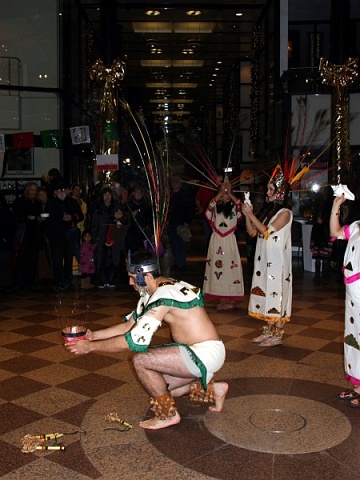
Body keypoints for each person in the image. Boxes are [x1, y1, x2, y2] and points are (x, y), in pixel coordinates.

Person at [65, 250, 228, 430]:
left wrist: (90, 347)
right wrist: (94, 335)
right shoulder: (156, 289)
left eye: (133, 278)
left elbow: (132, 342)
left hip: (204, 353)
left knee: (141, 360)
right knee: (160, 389)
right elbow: (129, 326)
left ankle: (167, 416)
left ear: (147, 276)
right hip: (198, 352)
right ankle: (214, 390)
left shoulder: (162, 296)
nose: (130, 283)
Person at [242, 174, 293, 347]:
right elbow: (252, 232)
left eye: (271, 189)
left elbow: (267, 231)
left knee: (277, 294)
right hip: (264, 261)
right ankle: (268, 330)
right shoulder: (269, 212)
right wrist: (247, 215)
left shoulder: (285, 213)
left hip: (278, 263)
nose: (267, 192)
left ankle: (278, 334)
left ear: (280, 193)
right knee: (265, 292)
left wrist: (251, 215)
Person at [330, 193, 360, 407]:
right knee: (354, 337)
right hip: (353, 292)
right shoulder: (357, 226)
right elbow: (335, 232)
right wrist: (336, 206)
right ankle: (358, 386)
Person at [203, 180, 244, 310]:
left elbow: (240, 205)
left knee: (230, 270)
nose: (225, 194)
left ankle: (231, 299)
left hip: (229, 242)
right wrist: (221, 192)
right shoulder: (215, 207)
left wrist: (229, 192)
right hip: (216, 241)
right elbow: (208, 208)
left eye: (228, 191)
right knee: (218, 269)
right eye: (223, 191)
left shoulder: (235, 208)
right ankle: (221, 298)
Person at [47, 177, 84, 292]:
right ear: (54, 192)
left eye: (63, 189)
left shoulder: (72, 202)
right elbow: (47, 219)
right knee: (57, 260)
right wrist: (60, 218)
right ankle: (59, 282)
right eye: (58, 190)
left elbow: (80, 215)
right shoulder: (51, 204)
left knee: (68, 259)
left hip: (69, 237)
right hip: (56, 237)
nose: (61, 192)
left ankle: (67, 281)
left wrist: (72, 217)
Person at [91, 186, 130, 288]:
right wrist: (95, 239)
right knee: (102, 258)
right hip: (102, 237)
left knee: (113, 258)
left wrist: (120, 220)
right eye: (105, 195)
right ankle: (102, 280)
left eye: (109, 195)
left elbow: (125, 219)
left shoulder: (116, 206)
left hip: (114, 237)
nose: (107, 197)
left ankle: (112, 279)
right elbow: (94, 225)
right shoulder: (98, 209)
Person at [12, 181, 42, 294]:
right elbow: (16, 217)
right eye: (32, 190)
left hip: (35, 234)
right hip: (25, 234)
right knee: (23, 259)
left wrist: (39, 219)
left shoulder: (37, 203)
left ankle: (30, 283)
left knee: (33, 260)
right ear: (28, 190)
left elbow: (39, 217)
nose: (34, 192)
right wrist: (27, 217)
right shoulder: (21, 202)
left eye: (35, 190)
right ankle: (21, 284)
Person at [167, 175, 195, 273]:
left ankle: (181, 264)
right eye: (173, 181)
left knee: (181, 244)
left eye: (176, 181)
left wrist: (187, 222)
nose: (174, 183)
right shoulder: (169, 195)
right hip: (171, 223)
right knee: (173, 244)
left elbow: (190, 209)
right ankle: (176, 263)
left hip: (182, 223)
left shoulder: (185, 195)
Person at [310, 212, 332, 284]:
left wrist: (329, 246)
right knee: (318, 261)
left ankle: (324, 276)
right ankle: (318, 276)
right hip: (318, 246)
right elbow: (312, 237)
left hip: (324, 246)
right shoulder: (316, 226)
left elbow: (329, 238)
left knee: (324, 261)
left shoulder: (326, 227)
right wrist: (312, 246)